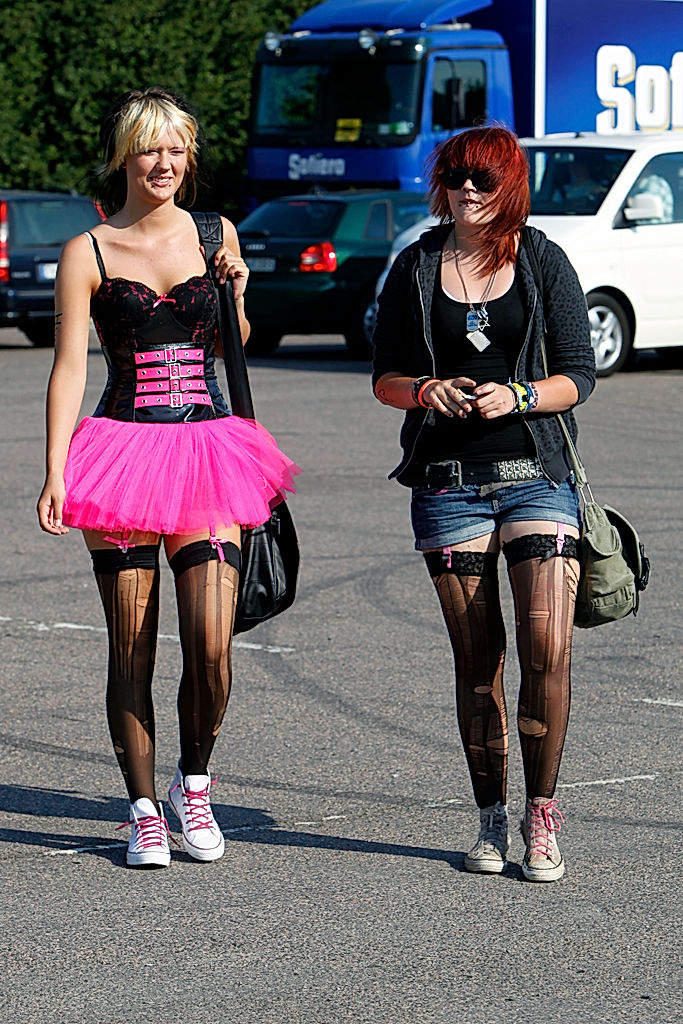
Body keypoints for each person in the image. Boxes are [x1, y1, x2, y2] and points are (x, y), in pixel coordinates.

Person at [37, 88, 299, 868]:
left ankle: (195, 784)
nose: (164, 163)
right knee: (132, 649)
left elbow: (237, 343)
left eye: (176, 149)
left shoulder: (217, 232)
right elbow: (66, 369)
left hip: (208, 451)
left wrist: (236, 285)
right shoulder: (86, 250)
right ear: (125, 155)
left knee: (212, 645)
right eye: (149, 148)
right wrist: (54, 472)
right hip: (118, 452)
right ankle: (144, 808)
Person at [372, 126, 596, 882]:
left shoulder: (539, 259)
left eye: (482, 178)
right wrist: (425, 390)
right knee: (478, 663)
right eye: (455, 176)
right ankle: (489, 820)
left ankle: (542, 816)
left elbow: (578, 374)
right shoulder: (414, 265)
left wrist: (521, 394)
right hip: (447, 485)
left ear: (508, 184)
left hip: (537, 474)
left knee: (547, 652)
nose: (466, 190)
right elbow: (385, 379)